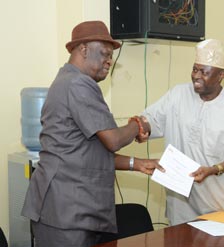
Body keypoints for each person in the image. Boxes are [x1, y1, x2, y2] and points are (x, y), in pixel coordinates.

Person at [21, 21, 164, 247]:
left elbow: (84, 152)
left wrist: (136, 163)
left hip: (69, 211)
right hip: (66, 213)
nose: (109, 60)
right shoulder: (78, 84)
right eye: (105, 53)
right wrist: (139, 124)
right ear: (84, 49)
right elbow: (113, 140)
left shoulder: (68, 81)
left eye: (112, 56)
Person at [137, 39, 224, 226]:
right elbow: (151, 119)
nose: (196, 76)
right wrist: (139, 127)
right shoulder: (178, 95)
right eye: (194, 69)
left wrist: (213, 169)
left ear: (221, 75)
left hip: (216, 199)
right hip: (180, 199)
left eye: (204, 72)